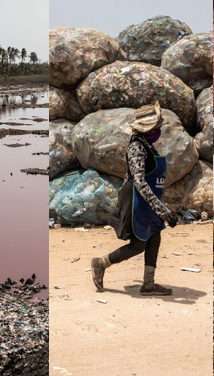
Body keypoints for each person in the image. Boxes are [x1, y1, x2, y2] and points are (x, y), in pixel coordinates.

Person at [91, 102, 178, 295]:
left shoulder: (148, 146)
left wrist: (162, 209)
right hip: (135, 199)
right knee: (139, 243)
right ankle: (101, 263)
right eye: (157, 127)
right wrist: (163, 211)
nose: (159, 130)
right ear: (148, 129)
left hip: (147, 200)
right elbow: (139, 181)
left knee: (154, 235)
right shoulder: (137, 147)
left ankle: (148, 284)